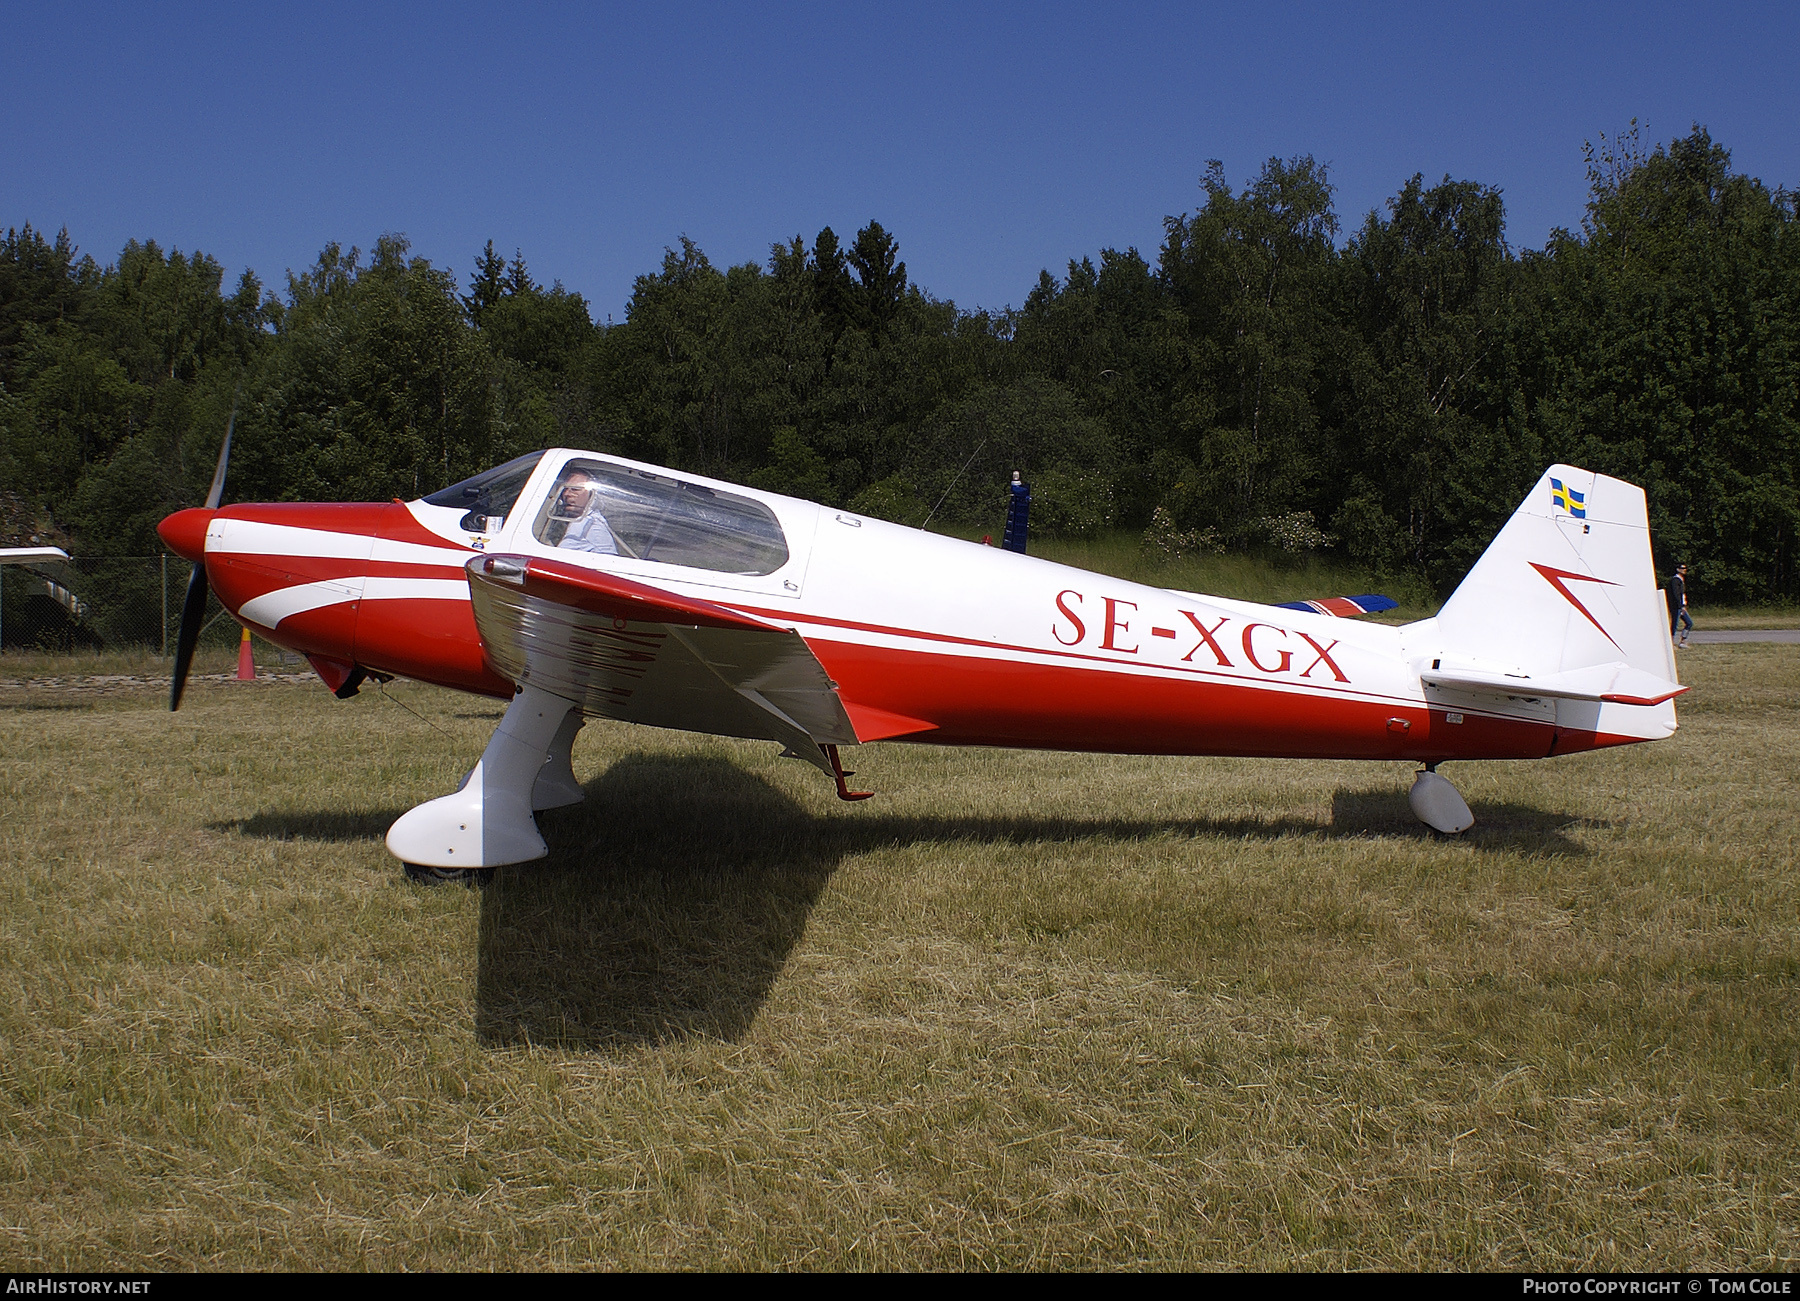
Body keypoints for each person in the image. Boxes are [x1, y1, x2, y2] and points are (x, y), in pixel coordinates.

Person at [548, 471, 619, 555]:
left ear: (592, 495)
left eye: (575, 489)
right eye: (565, 489)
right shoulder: (571, 519)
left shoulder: (590, 525)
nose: (567, 494)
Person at [1670, 563, 1692, 647]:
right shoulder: (1675, 580)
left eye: (1685, 568)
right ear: (1678, 569)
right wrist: (1680, 606)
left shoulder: (1681, 580)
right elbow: (1676, 594)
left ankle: (1683, 641)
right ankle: (1670, 643)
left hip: (1682, 606)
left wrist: (1684, 605)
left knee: (1689, 623)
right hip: (1677, 606)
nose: (1684, 570)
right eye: (1682, 568)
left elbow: (1682, 594)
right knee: (1674, 624)